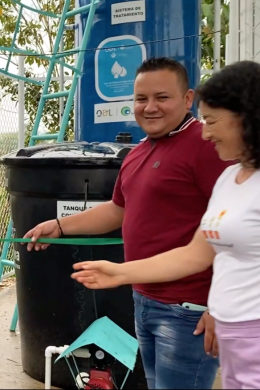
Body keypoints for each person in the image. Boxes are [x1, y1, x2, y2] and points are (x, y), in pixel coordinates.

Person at [23, 58, 234, 389]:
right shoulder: (138, 153)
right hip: (144, 300)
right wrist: (61, 226)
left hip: (187, 309)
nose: (150, 107)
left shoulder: (207, 147)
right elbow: (118, 209)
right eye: (141, 99)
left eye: (162, 97)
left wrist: (220, 306)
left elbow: (233, 233)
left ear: (187, 98)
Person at [71, 60, 260, 390]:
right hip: (223, 331)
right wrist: (119, 272)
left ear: (248, 120)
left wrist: (211, 308)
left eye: (213, 121)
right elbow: (195, 254)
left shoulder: (207, 155)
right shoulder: (232, 178)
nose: (207, 131)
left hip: (226, 322)